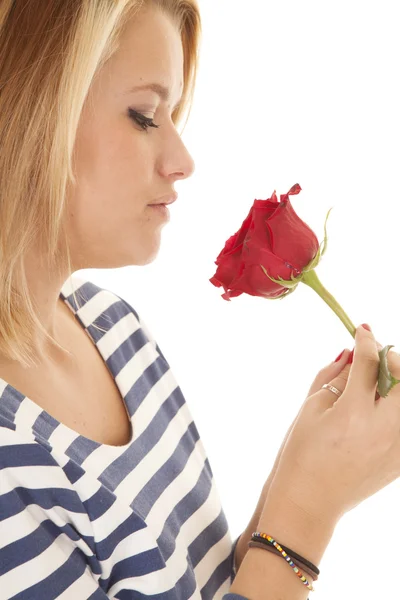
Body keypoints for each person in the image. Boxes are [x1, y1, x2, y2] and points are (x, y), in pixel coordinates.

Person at [0, 2, 399, 599]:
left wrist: (299, 477)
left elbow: (197, 587)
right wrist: (307, 515)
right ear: (31, 110)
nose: (182, 161)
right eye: (143, 116)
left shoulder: (114, 330)